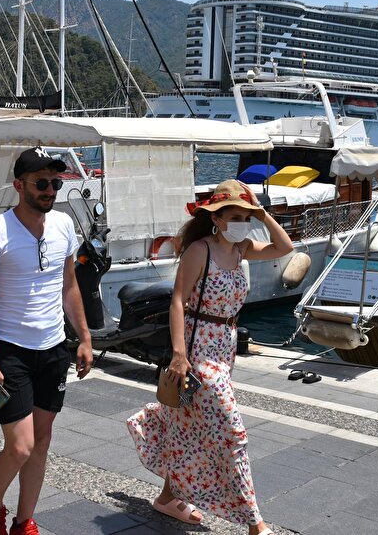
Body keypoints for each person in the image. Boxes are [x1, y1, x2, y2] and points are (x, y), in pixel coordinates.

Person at [126, 178, 293, 535]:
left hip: (225, 345)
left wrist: (262, 213)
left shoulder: (242, 247)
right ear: (216, 218)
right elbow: (177, 300)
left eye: (245, 216)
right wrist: (179, 356)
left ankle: (167, 498)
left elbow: (284, 247)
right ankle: (255, 523)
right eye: (235, 216)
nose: (242, 223)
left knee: (189, 427)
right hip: (199, 349)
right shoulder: (199, 250)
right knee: (232, 433)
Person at [0, 147, 94, 535]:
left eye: (55, 183)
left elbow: (70, 286)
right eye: (42, 183)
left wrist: (85, 339)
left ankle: (25, 522)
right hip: (10, 352)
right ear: (19, 185)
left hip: (53, 348)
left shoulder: (64, 226)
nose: (50, 190)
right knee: (20, 446)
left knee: (41, 443)